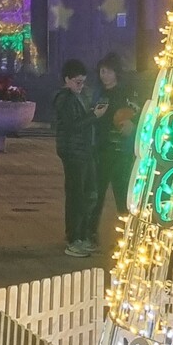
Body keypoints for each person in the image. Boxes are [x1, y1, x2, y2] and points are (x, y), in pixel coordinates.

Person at [53, 58, 105, 256]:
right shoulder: (64, 98)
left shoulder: (78, 96)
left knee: (87, 193)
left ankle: (81, 236)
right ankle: (74, 239)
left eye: (83, 81)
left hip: (83, 151)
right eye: (77, 82)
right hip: (73, 152)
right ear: (67, 79)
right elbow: (73, 124)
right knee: (77, 195)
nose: (81, 86)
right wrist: (94, 116)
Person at [88, 52, 141, 243]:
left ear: (117, 73)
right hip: (101, 150)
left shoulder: (126, 94)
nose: (105, 75)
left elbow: (136, 115)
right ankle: (90, 233)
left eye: (109, 71)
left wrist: (132, 125)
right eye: (102, 71)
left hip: (121, 152)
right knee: (96, 194)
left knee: (123, 194)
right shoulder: (98, 93)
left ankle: (128, 235)